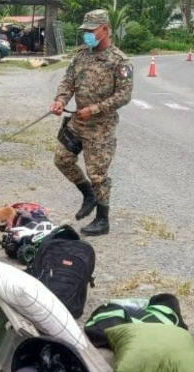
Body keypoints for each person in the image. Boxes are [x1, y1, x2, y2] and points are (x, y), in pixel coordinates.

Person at [49, 9, 133, 236]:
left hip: (101, 127)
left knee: (98, 174)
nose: (87, 34)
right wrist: (60, 100)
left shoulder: (119, 61)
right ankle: (88, 194)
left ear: (104, 29)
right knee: (62, 159)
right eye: (85, 30)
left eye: (91, 30)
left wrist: (95, 108)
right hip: (78, 122)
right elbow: (67, 82)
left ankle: (102, 220)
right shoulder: (81, 56)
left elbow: (124, 95)